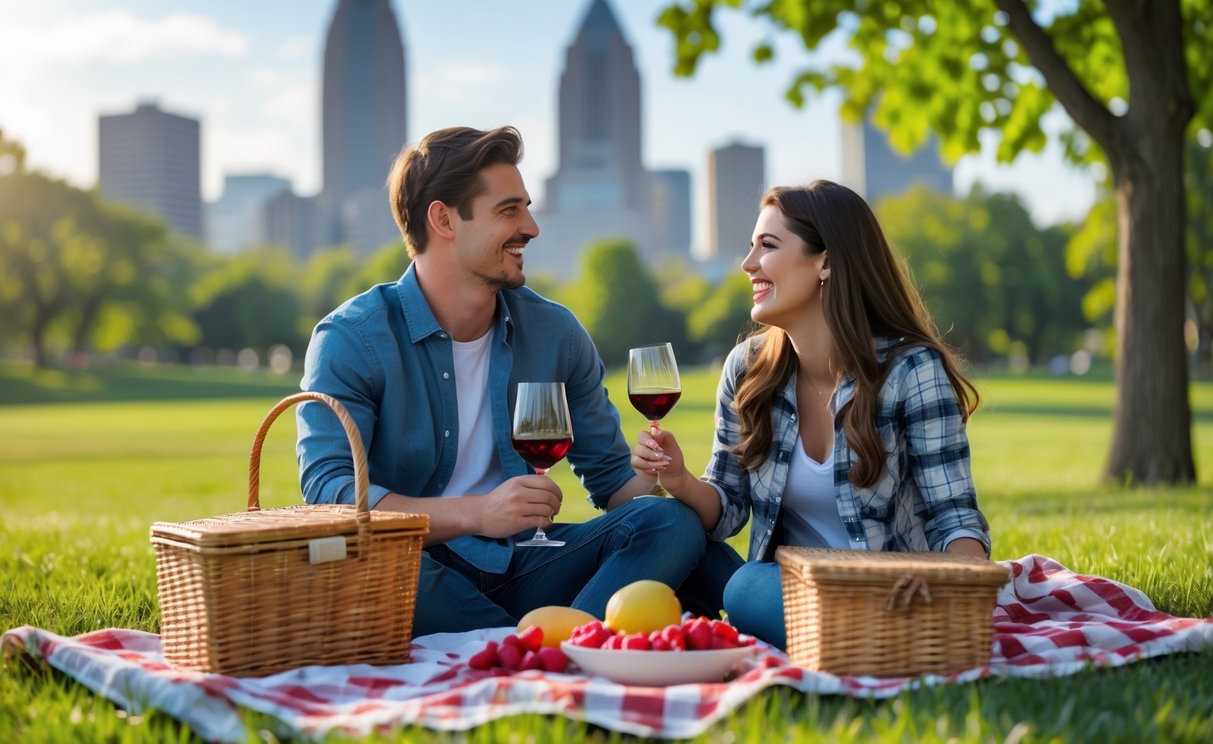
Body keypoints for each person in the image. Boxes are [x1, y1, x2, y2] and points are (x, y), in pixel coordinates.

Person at [297, 125, 709, 635]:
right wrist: (478, 513)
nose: (532, 228)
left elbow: (614, 486)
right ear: (444, 219)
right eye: (509, 210)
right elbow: (330, 494)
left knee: (668, 523)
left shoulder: (554, 332)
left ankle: (539, 649)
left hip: (522, 565)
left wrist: (657, 474)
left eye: (527, 208)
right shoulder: (352, 338)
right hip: (414, 571)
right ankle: (553, 645)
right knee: (363, 565)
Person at [630, 181, 991, 649]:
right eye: (750, 246)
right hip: (783, 589)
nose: (748, 264)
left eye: (768, 246)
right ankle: (829, 639)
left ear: (826, 261)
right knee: (681, 541)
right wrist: (678, 480)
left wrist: (956, 591)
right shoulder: (748, 369)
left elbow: (954, 518)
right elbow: (727, 511)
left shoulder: (910, 370)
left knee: (741, 589)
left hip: (890, 594)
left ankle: (859, 638)